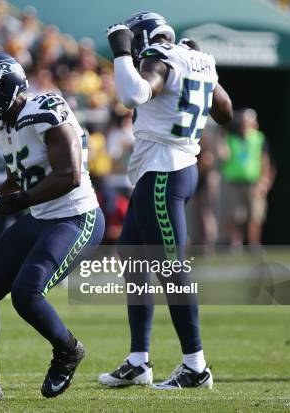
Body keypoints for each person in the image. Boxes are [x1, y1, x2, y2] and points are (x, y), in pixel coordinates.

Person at [0, 52, 105, 400]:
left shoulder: (46, 111)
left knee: (27, 294)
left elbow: (69, 175)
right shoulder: (7, 124)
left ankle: (68, 349)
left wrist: (14, 203)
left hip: (76, 216)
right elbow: (20, 174)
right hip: (42, 217)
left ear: (2, 87)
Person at [97, 12, 233, 389]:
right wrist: (205, 70)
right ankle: (138, 360)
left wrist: (122, 54)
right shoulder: (197, 58)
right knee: (132, 257)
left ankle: (196, 365)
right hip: (170, 169)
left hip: (163, 172)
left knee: (171, 269)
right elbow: (225, 111)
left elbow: (132, 95)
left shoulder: (159, 57)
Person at [219, 108, 274, 247]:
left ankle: (253, 244)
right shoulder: (230, 138)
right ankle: (235, 244)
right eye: (243, 122)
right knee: (235, 215)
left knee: (256, 215)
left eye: (249, 122)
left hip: (253, 183)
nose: (246, 125)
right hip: (234, 182)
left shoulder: (259, 139)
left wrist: (264, 181)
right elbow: (224, 157)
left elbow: (265, 161)